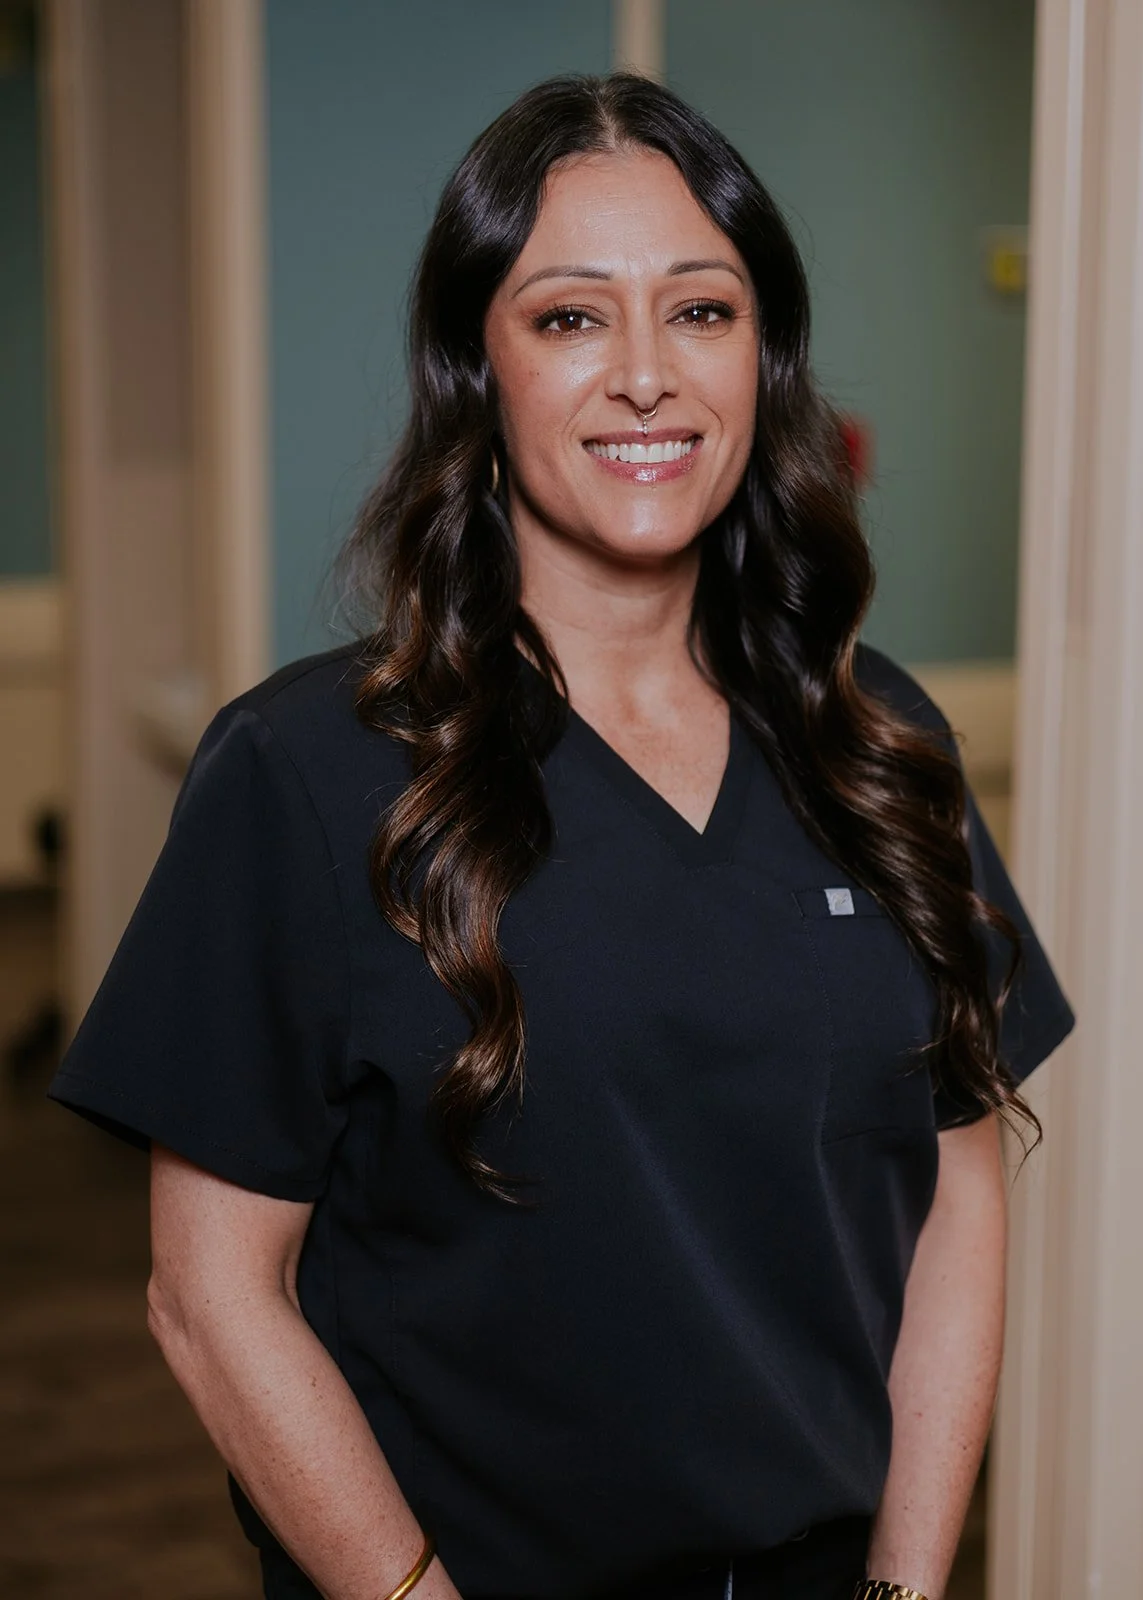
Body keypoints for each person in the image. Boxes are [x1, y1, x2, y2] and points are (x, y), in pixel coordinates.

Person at [49, 73, 1074, 1600]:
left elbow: (954, 1204)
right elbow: (210, 1300)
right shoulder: (309, 770)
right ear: (480, 366)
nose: (646, 376)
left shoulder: (880, 748)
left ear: (764, 359)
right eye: (571, 317)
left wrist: (906, 1586)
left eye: (703, 311)